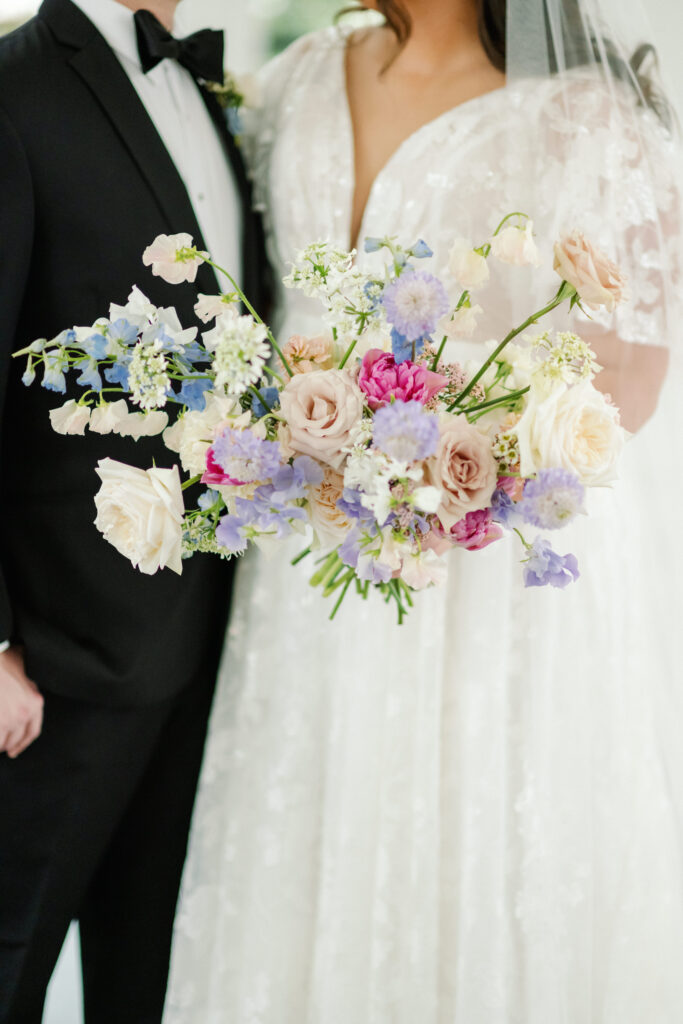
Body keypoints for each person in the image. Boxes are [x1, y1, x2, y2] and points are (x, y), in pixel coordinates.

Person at [166, 1, 683, 1021]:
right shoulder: (297, 82)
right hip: (302, 582)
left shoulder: (586, 120)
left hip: (480, 593)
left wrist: (455, 454)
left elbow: (629, 373)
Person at [0, 0, 268, 1020]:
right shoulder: (15, 89)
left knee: (150, 979)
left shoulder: (213, 92)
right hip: (56, 660)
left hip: (208, 643)